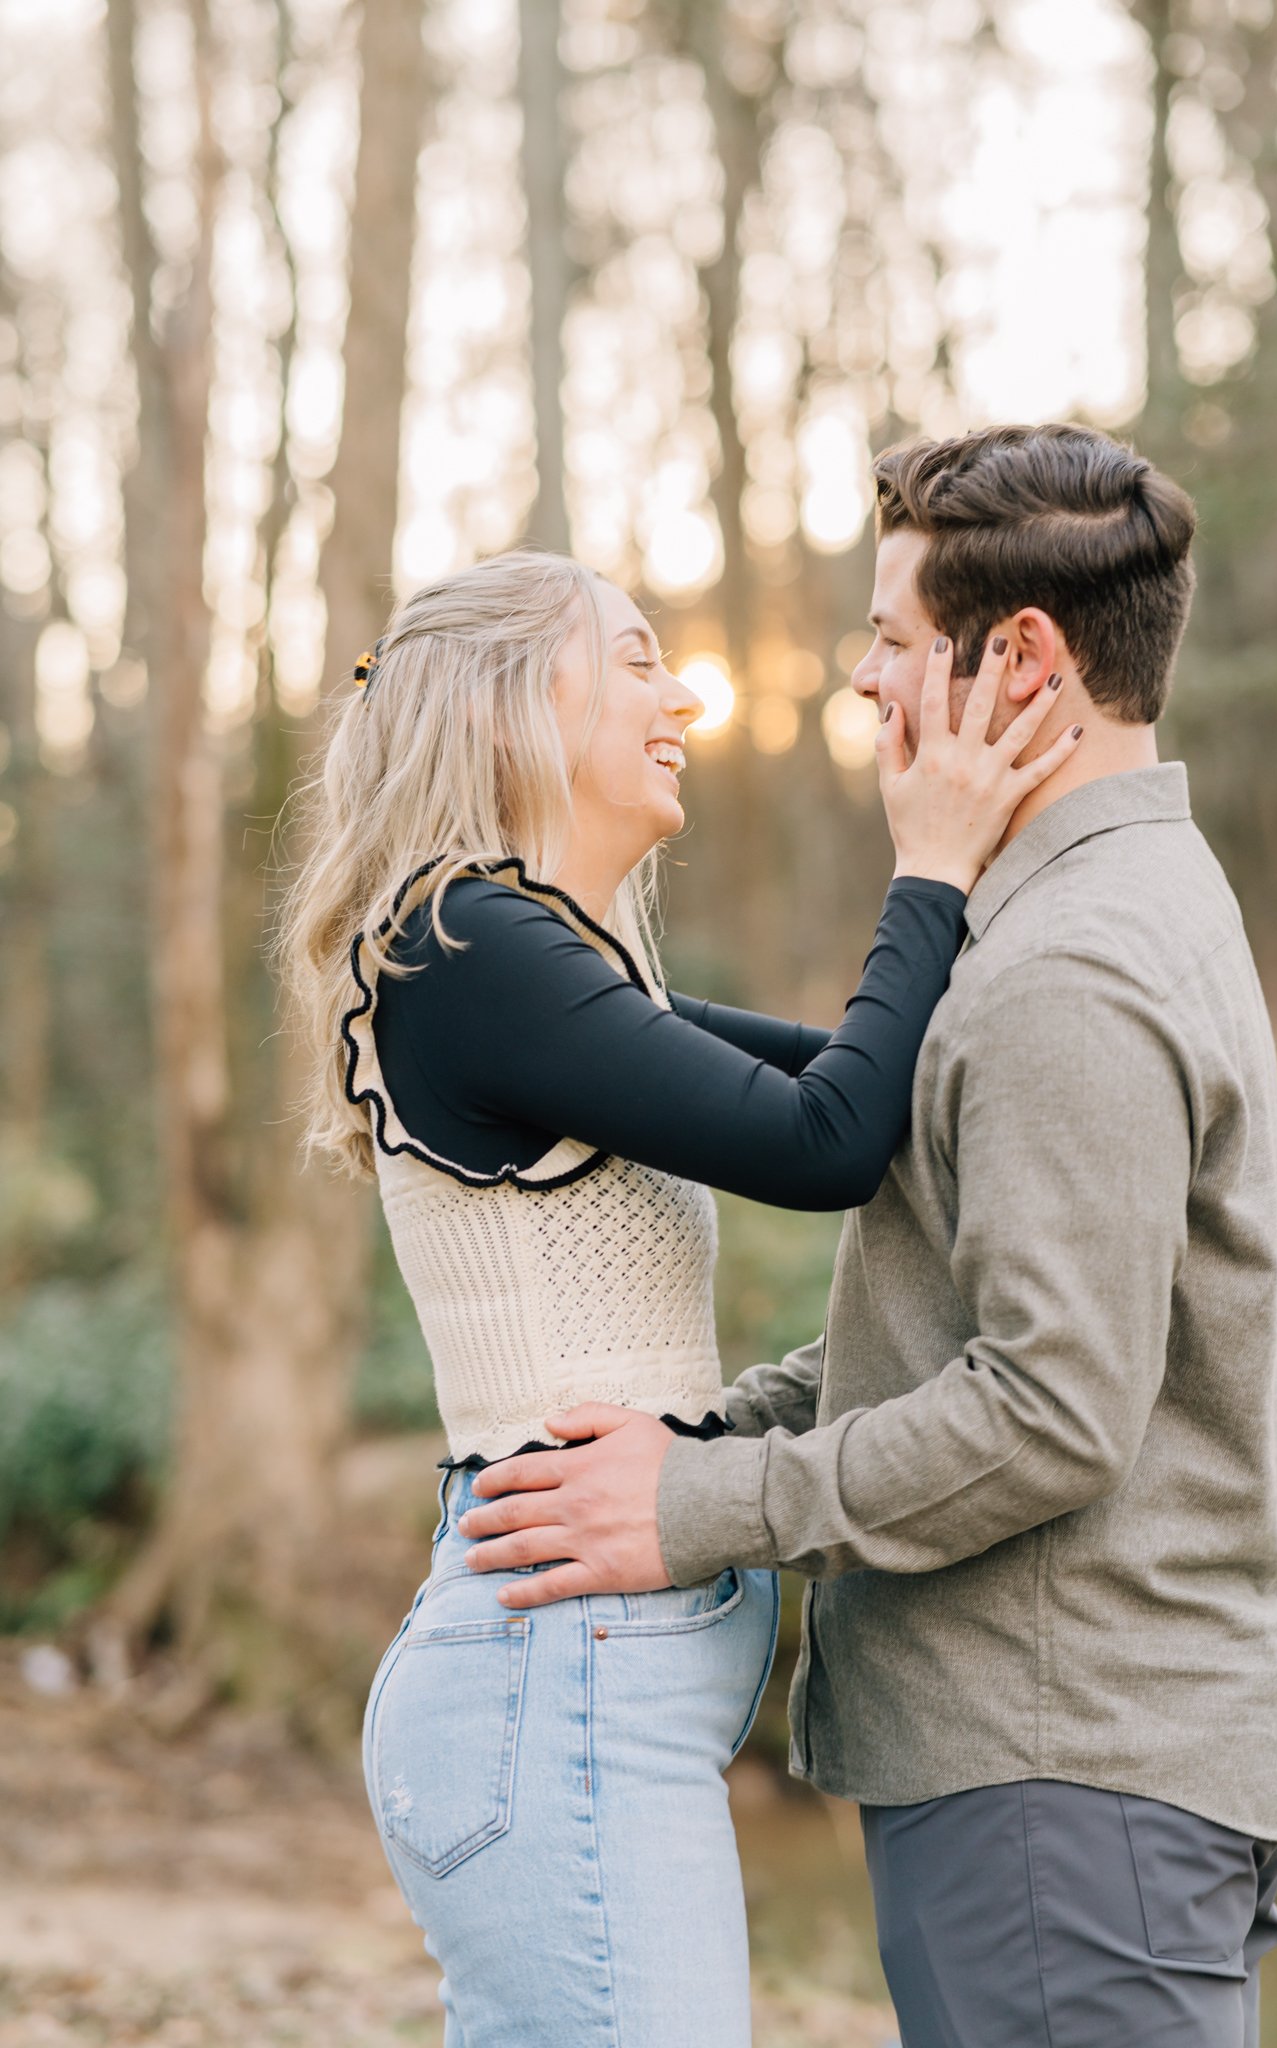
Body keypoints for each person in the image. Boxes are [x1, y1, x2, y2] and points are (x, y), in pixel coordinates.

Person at [461, 426, 1277, 2048]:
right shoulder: (1120, 900)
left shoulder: (1070, 971)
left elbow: (1049, 1409)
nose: (865, 684)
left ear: (1022, 662)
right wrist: (702, 1429)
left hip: (1066, 1778)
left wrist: (708, 1505)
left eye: (892, 642)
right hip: (1098, 1772)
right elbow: (958, 1323)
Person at [277, 545, 1078, 2048]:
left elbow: (862, 1085)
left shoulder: (550, 961)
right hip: (558, 1674)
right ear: (520, 701)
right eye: (638, 658)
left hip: (581, 1681)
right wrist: (932, 867)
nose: (686, 698)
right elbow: (825, 1143)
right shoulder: (465, 944)